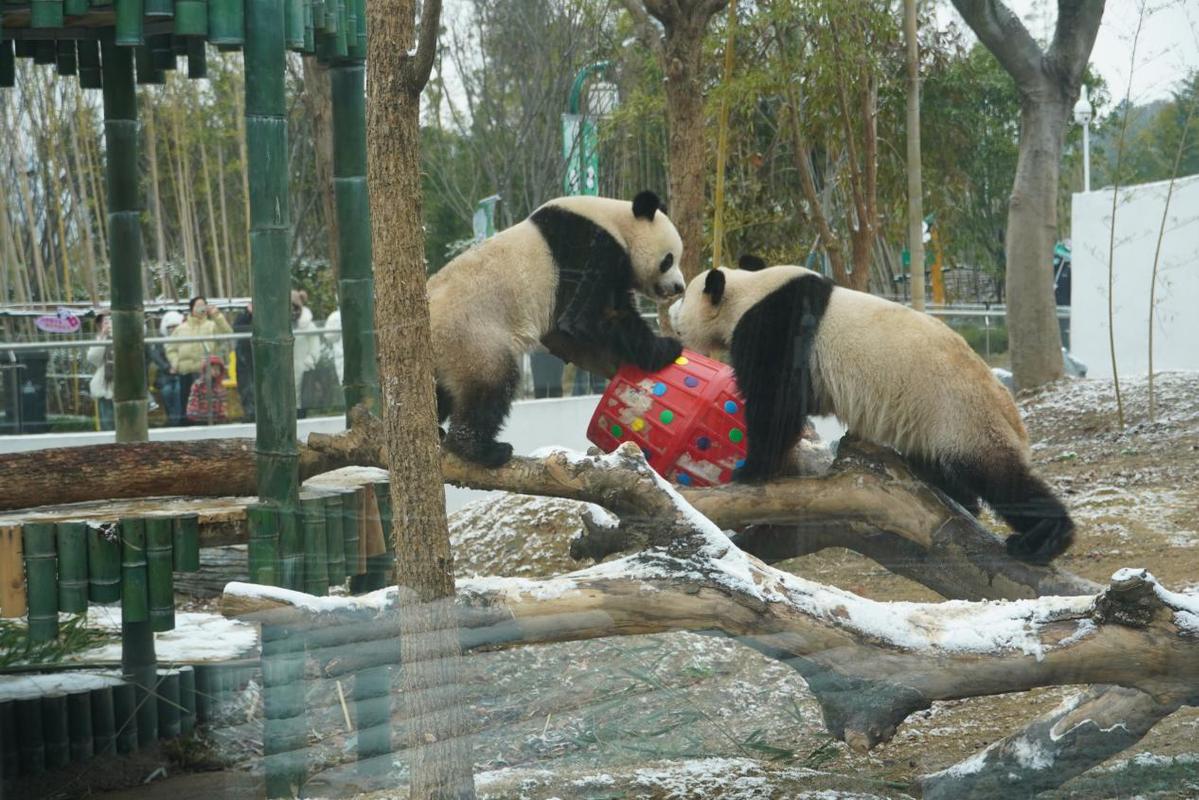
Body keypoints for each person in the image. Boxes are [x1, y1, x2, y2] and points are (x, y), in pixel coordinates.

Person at [166, 296, 232, 424]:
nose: (201, 308)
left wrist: (217, 316)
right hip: (186, 372)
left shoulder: (212, 326)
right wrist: (176, 363)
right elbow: (171, 348)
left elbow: (227, 333)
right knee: (187, 403)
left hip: (207, 373)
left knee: (209, 403)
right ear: (191, 308)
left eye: (204, 305)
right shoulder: (181, 328)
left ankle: (210, 426)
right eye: (198, 305)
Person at [149, 311, 185, 426]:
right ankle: (174, 419)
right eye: (170, 327)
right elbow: (156, 356)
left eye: (175, 326)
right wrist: (167, 368)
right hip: (166, 375)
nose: (173, 329)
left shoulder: (185, 338)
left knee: (179, 390)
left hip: (182, 373)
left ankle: (177, 420)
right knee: (167, 391)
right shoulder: (161, 340)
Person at [292, 290, 320, 417]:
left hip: (303, 369)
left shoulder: (309, 325)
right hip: (286, 369)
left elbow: (315, 348)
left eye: (295, 307)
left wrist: (309, 362)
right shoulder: (283, 325)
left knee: (302, 401)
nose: (293, 311)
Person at [86, 313, 114, 431]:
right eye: (105, 322)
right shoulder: (101, 338)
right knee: (107, 423)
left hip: (125, 386)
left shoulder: (127, 334)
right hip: (106, 386)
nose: (108, 324)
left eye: (110, 321)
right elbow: (93, 358)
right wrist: (103, 336)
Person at [233, 303, 255, 422]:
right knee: (246, 387)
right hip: (244, 358)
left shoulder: (269, 315)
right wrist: (248, 314)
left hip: (259, 358)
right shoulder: (242, 316)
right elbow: (236, 328)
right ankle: (249, 413)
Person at [324, 307, 343, 385]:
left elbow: (329, 336)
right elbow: (329, 336)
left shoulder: (336, 316)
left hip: (341, 356)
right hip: (341, 356)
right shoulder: (336, 316)